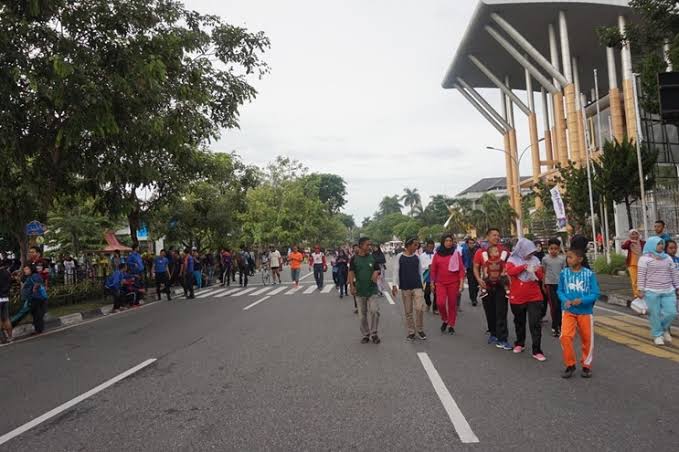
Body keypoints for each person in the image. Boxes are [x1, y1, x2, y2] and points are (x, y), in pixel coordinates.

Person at [557, 248, 600, 378]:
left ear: (580, 259)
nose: (568, 259)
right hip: (568, 311)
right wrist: (565, 301)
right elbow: (560, 291)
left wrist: (582, 300)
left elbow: (595, 293)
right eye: (567, 257)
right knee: (565, 336)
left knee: (587, 339)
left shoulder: (589, 274)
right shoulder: (564, 273)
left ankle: (586, 366)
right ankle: (570, 364)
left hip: (585, 312)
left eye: (571, 257)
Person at [506, 238, 546, 361]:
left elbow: (540, 276)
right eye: (529, 252)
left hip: (534, 296)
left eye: (532, 252)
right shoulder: (512, 260)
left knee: (535, 323)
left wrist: (537, 270)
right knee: (519, 321)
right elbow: (510, 271)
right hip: (517, 296)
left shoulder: (535, 260)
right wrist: (524, 267)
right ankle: (519, 343)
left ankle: (537, 350)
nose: (531, 254)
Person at [637, 237, 679, 346]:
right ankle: (657, 335)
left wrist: (677, 286)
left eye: (662, 243)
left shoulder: (667, 258)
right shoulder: (644, 259)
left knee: (672, 312)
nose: (661, 245)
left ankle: (664, 329)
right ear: (651, 245)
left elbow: (674, 273)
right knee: (654, 314)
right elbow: (641, 276)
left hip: (668, 290)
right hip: (651, 291)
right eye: (658, 244)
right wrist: (640, 289)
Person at [473, 228, 511, 349]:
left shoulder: (504, 251)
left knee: (501, 311)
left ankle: (502, 338)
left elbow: (510, 265)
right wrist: (479, 279)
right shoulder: (480, 252)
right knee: (489, 311)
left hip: (501, 286)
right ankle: (493, 333)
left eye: (498, 235)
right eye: (494, 235)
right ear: (488, 237)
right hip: (486, 285)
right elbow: (476, 267)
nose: (496, 237)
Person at [392, 237, 427, 340]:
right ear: (408, 245)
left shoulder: (417, 257)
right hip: (405, 287)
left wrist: (422, 285)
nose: (416, 247)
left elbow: (420, 272)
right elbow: (395, 271)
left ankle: (420, 329)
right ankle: (411, 331)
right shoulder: (399, 257)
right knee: (408, 311)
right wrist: (394, 285)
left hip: (417, 286)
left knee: (419, 308)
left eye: (417, 245)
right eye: (415, 245)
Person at [430, 233, 465, 335]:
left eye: (450, 241)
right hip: (440, 283)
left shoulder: (455, 253)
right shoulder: (437, 254)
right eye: (447, 241)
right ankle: (445, 319)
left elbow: (461, 270)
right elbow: (433, 270)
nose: (449, 243)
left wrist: (461, 284)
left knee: (452, 305)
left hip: (453, 283)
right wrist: (432, 283)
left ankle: (451, 325)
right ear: (442, 242)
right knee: (440, 303)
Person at [349, 237, 381, 344]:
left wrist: (376, 273)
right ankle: (366, 334)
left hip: (372, 290)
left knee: (374, 311)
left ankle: (374, 333)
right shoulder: (354, 259)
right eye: (367, 245)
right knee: (362, 315)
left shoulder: (372, 258)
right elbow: (351, 272)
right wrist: (352, 286)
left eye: (370, 245)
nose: (369, 247)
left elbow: (378, 269)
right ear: (361, 246)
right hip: (360, 290)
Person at [542, 238, 566, 337]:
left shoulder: (562, 259)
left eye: (555, 249)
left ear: (559, 249)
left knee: (560, 306)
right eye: (551, 248)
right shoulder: (545, 259)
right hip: (549, 284)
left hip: (560, 285)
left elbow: (565, 273)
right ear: (548, 248)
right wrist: (543, 284)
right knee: (553, 306)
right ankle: (554, 327)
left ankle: (561, 325)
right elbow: (543, 272)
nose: (553, 251)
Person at [621, 229, 645, 299]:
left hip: (642, 263)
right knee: (634, 280)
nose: (634, 236)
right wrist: (630, 241)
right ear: (629, 235)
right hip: (632, 264)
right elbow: (623, 247)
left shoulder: (643, 242)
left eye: (636, 234)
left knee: (642, 280)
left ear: (638, 234)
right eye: (632, 234)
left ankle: (643, 293)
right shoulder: (629, 243)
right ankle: (636, 294)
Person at [419, 240, 438, 314]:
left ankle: (435, 309)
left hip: (436, 277)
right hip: (426, 277)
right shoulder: (422, 256)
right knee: (426, 294)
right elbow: (420, 267)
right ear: (426, 247)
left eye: (432, 247)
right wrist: (428, 267)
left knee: (436, 294)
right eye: (429, 247)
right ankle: (428, 303)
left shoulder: (437, 254)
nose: (430, 248)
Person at [461, 237, 479, 306]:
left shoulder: (477, 250)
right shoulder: (464, 250)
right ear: (467, 244)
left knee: (477, 285)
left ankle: (475, 296)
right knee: (471, 284)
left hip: (477, 269)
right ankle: (473, 299)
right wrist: (463, 268)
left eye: (472, 243)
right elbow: (462, 259)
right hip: (469, 269)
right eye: (470, 243)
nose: (471, 244)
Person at [0, 260, 12, 343]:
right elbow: (9, 284)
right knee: (6, 318)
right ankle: (10, 337)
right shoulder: (7, 273)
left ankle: (1, 338)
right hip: (5, 297)